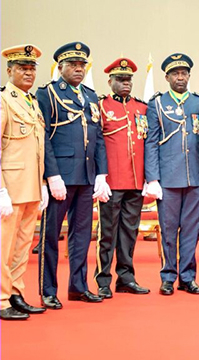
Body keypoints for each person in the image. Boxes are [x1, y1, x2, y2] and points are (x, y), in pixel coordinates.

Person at [37, 42, 110, 309]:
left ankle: (78, 287)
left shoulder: (91, 96)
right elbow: (42, 137)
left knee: (81, 235)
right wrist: (51, 175)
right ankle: (48, 290)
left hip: (87, 176)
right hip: (62, 177)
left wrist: (101, 173)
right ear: (60, 67)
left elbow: (98, 137)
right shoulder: (48, 94)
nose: (78, 69)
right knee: (50, 236)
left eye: (82, 65)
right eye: (73, 65)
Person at [144, 53, 199, 296]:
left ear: (189, 76)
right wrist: (153, 179)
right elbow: (150, 142)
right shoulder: (157, 104)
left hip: (195, 178)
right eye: (175, 74)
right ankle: (168, 276)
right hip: (168, 179)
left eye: (184, 73)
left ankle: (188, 277)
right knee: (168, 230)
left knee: (191, 230)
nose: (180, 77)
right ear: (167, 77)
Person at [94, 58, 150, 299]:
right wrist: (101, 177)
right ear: (110, 81)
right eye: (120, 80)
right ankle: (103, 280)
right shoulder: (101, 106)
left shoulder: (141, 107)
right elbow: (97, 145)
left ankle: (126, 277)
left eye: (128, 80)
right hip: (112, 182)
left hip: (136, 181)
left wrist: (149, 178)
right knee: (107, 233)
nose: (125, 83)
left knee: (129, 232)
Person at [0, 44, 48, 320]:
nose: (28, 73)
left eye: (31, 69)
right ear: (9, 71)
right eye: (22, 68)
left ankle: (16, 293)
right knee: (3, 248)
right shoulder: (4, 100)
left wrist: (41, 183)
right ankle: (2, 298)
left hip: (30, 187)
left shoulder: (33, 102)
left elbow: (37, 147)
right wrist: (1, 190)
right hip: (10, 188)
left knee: (21, 247)